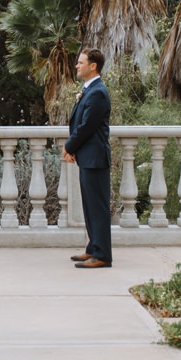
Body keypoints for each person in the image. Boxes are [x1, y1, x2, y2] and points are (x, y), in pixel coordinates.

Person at [63, 47, 112, 268]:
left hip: (95, 157)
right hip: (87, 156)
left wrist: (69, 147)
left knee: (98, 207)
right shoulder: (89, 90)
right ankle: (93, 248)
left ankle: (102, 255)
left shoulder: (98, 92)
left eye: (81, 62)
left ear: (93, 66)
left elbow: (86, 127)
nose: (77, 66)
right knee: (90, 206)